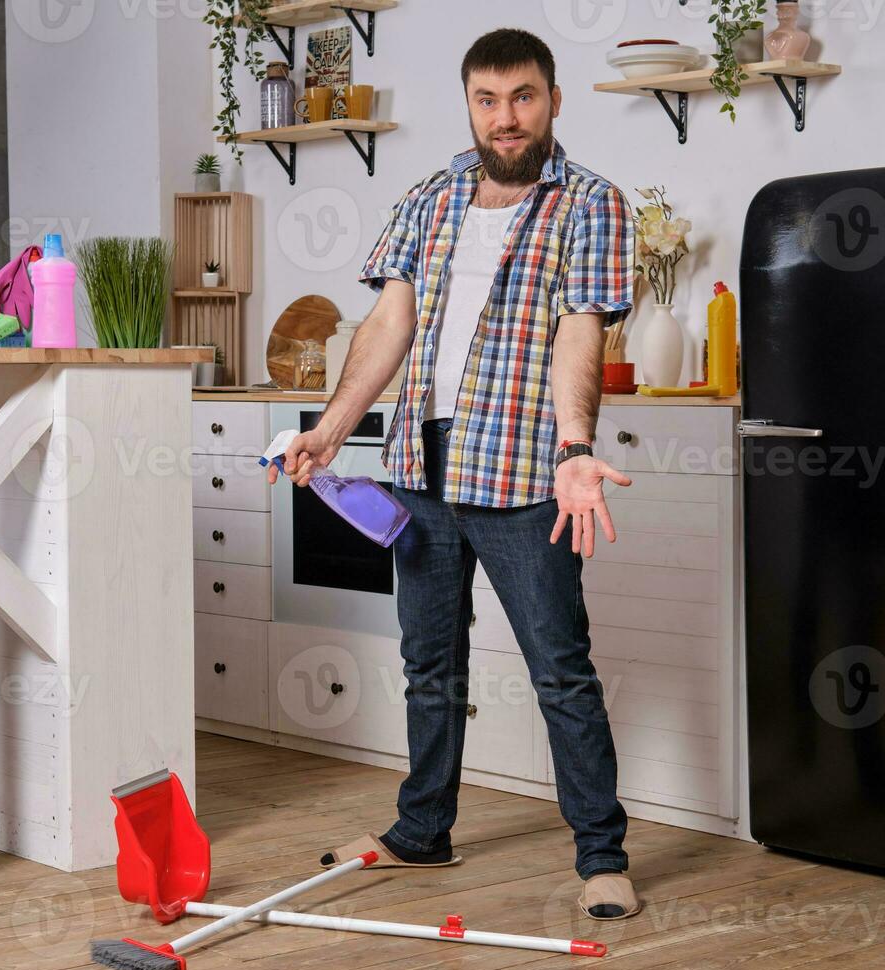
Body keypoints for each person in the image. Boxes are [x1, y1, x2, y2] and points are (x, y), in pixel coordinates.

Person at [267, 27, 640, 920]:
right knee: (429, 663)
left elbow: (579, 334)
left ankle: (602, 854)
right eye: (487, 99)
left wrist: (576, 449)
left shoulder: (591, 203)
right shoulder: (430, 196)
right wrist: (329, 430)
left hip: (519, 478)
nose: (505, 118)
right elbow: (387, 327)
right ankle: (420, 833)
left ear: (553, 100)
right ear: (468, 103)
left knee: (560, 668)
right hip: (420, 474)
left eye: (522, 98)